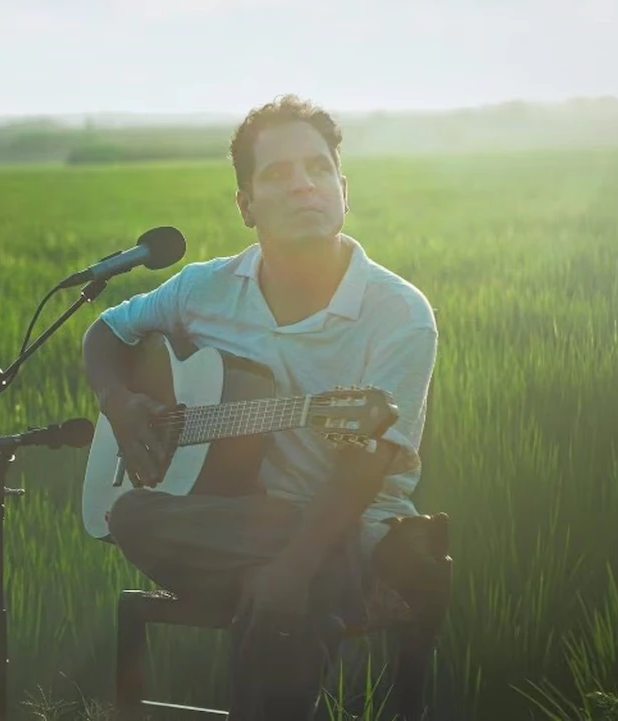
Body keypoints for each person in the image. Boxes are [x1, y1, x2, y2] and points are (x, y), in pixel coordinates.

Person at [82, 96, 441, 719]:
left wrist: (294, 567)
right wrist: (121, 403)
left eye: (319, 168)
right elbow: (106, 333)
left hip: (351, 528)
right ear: (246, 205)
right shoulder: (205, 288)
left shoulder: (399, 312)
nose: (304, 184)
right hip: (235, 520)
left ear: (343, 188)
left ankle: (301, 579)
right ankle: (295, 578)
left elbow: (367, 461)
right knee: (132, 512)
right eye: (277, 174)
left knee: (288, 598)